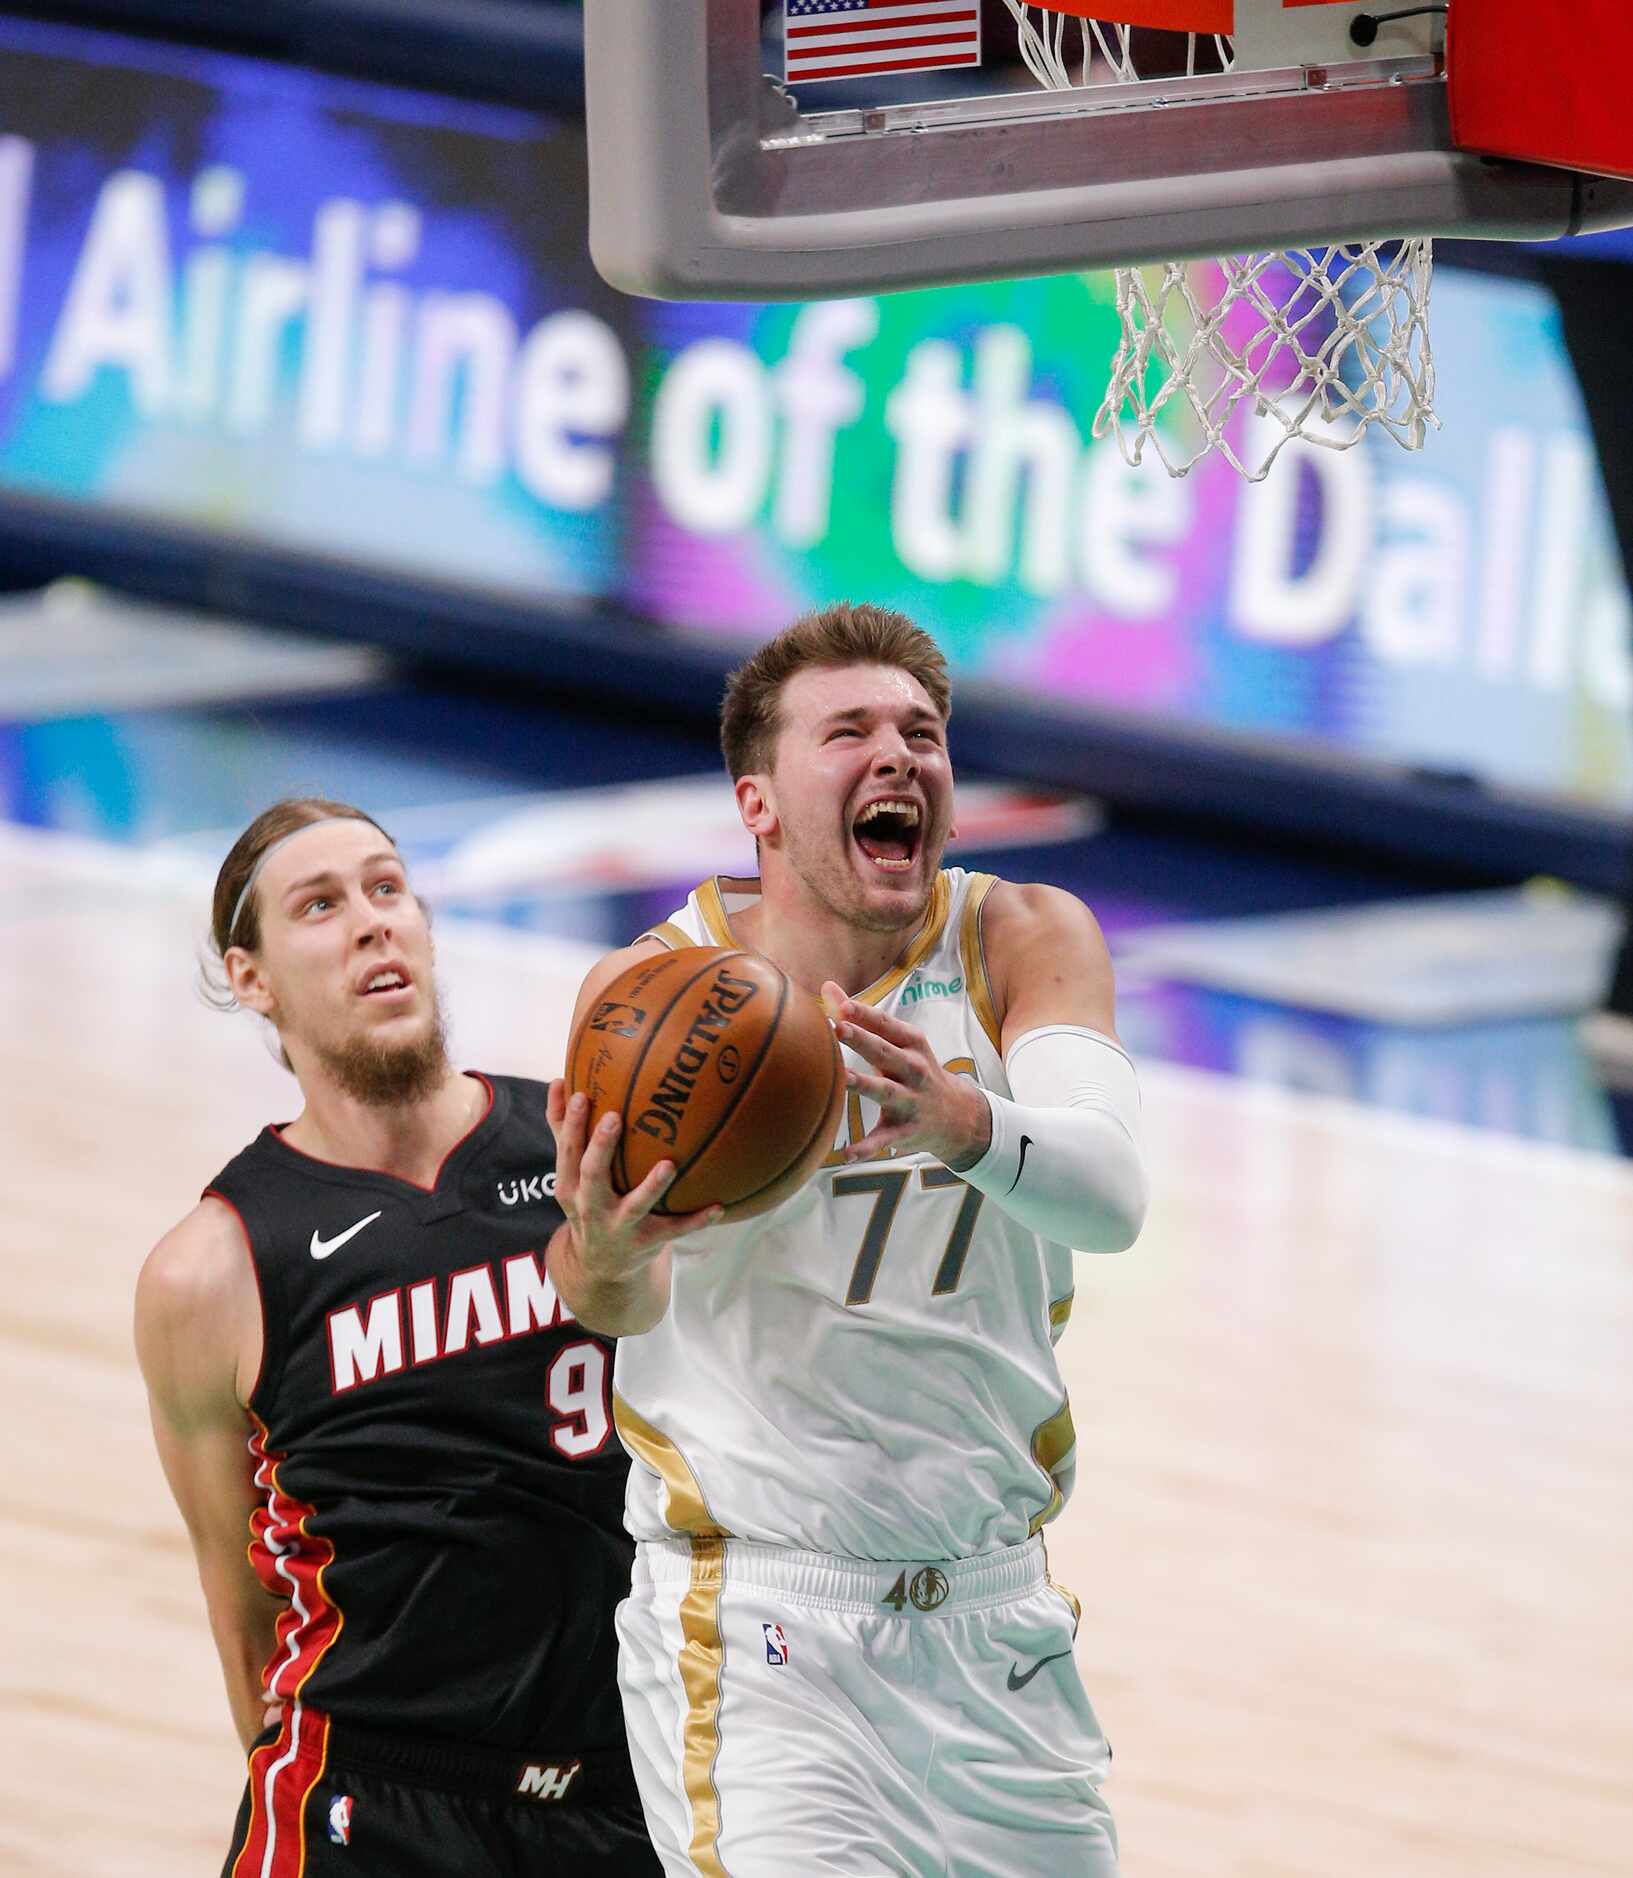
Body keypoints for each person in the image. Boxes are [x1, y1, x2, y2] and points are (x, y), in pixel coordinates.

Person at [546, 603, 1149, 1877]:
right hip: (764, 1627)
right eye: (852, 732)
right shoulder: (651, 992)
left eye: (922, 733)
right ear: (757, 801)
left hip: (996, 1626)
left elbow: (1110, 1198)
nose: (899, 756)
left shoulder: (1019, 938)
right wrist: (599, 1245)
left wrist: (961, 1118)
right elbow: (606, 1297)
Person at [135, 797, 675, 1878]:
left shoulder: (585, 1149)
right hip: (368, 1803)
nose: (372, 921)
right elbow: (241, 1611)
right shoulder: (212, 1268)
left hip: (621, 1792)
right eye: (320, 905)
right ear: (252, 979)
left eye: (388, 888)